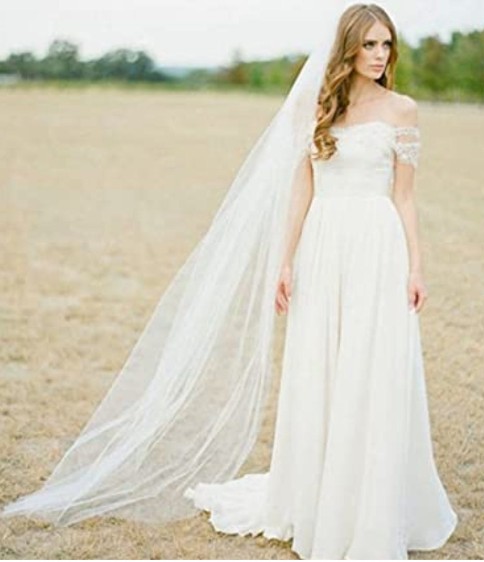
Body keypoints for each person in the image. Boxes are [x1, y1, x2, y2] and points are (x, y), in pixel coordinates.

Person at [3, 3, 456, 560]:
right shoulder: (318, 107)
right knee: (321, 364)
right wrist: (284, 261)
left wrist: (416, 265)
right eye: (368, 45)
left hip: (377, 246)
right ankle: (318, 492)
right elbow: (301, 191)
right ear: (346, 49)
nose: (380, 55)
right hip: (323, 242)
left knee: (371, 365)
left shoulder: (402, 110)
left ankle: (369, 497)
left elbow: (405, 196)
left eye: (387, 44)